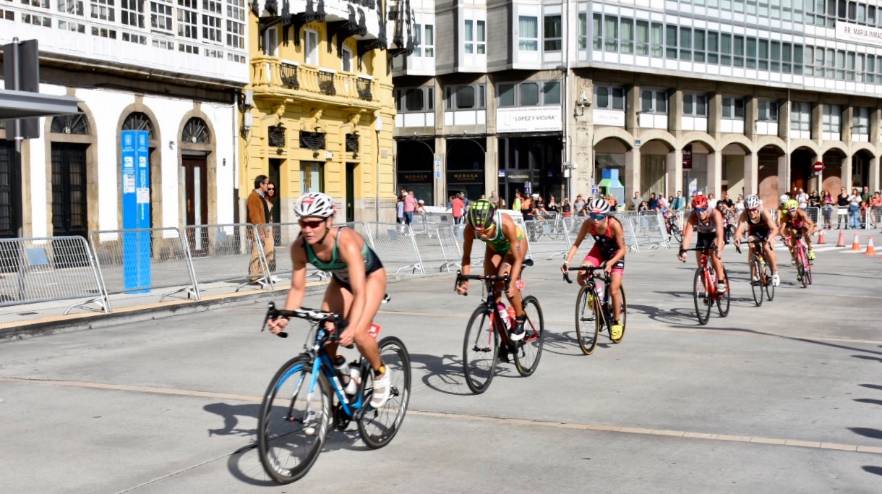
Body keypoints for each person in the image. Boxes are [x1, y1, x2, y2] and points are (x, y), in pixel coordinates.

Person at [267, 192, 392, 408]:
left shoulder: (345, 241)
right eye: (303, 223)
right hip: (341, 281)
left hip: (369, 279)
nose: (308, 229)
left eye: (314, 223)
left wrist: (351, 327)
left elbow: (359, 292)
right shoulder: (299, 248)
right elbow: (297, 288)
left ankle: (380, 371)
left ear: (328, 221)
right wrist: (285, 317)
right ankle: (344, 374)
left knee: (359, 334)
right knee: (326, 336)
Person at [456, 200, 530, 347]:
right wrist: (464, 281)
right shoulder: (470, 229)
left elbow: (517, 259)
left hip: (514, 248)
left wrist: (512, 282)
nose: (481, 234)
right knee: (492, 288)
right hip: (494, 248)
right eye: (478, 232)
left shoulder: (505, 223)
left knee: (505, 281)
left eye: (485, 230)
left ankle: (521, 318)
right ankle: (505, 342)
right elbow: (466, 257)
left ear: (492, 222)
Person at [561, 198, 626, 340]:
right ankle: (596, 293)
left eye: (599, 217)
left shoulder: (614, 224)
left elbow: (623, 249)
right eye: (592, 216)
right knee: (581, 275)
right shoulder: (588, 224)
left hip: (615, 254)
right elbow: (576, 244)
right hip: (599, 250)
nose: (595, 220)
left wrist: (610, 263)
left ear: (606, 215)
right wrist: (567, 261)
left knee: (614, 289)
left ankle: (616, 321)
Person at [677, 194, 728, 294]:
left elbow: (720, 232)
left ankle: (721, 281)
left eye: (703, 210)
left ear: (706, 207)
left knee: (714, 255)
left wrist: (718, 248)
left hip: (715, 235)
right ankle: (709, 292)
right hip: (702, 235)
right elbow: (688, 235)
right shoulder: (693, 216)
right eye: (697, 210)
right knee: (701, 265)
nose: (700, 213)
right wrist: (684, 251)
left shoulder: (715, 213)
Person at [734, 195, 780, 287]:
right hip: (755, 231)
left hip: (767, 231)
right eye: (749, 210)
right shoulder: (744, 214)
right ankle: (755, 274)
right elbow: (739, 230)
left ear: (758, 207)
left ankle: (775, 273)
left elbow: (775, 229)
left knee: (766, 247)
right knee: (751, 244)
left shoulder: (764, 212)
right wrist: (737, 239)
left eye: (754, 209)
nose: (751, 212)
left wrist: (770, 238)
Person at [246, 175, 271, 283]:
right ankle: (254, 276)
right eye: (266, 183)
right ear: (261, 184)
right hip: (257, 230)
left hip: (264, 228)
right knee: (256, 253)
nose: (268, 186)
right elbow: (254, 216)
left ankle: (261, 274)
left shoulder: (262, 196)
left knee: (268, 252)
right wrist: (260, 232)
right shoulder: (253, 197)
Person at [780, 198, 817, 269]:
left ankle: (810, 249)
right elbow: (781, 229)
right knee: (793, 237)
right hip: (794, 228)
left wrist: (809, 231)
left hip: (803, 226)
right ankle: (798, 267)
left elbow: (811, 223)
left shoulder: (801, 213)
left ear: (796, 208)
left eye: (792, 210)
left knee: (806, 231)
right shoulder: (786, 216)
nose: (791, 213)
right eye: (788, 211)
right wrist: (783, 236)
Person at [264, 181, 279, 272]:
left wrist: (273, 229)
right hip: (265, 229)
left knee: (271, 251)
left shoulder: (271, 200)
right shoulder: (264, 200)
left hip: (269, 228)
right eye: (269, 189)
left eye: (273, 189)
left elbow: (271, 218)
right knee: (268, 251)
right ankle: (263, 272)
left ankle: (270, 272)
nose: (271, 190)